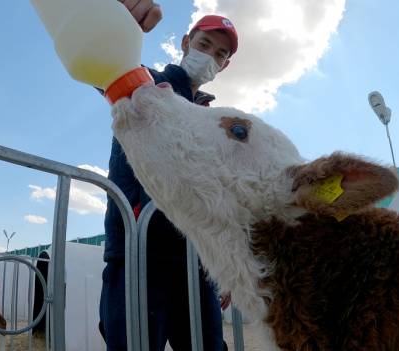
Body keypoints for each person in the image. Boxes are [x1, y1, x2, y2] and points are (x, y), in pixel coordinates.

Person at [99, 2, 236, 350]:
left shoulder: (216, 120)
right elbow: (105, 63)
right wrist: (115, 25)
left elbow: (220, 198)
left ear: (225, 65)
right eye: (204, 45)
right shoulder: (146, 83)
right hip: (138, 252)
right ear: (186, 42)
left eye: (219, 54)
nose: (209, 57)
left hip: (196, 262)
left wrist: (225, 266)